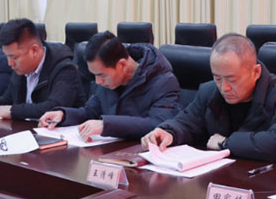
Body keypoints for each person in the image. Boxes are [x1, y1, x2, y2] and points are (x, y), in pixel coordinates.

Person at [141, 33, 276, 163]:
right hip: (227, 176)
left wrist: (226, 143)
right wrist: (168, 132)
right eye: (217, 78)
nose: (224, 87)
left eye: (232, 79)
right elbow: (187, 122)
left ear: (256, 72)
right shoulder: (209, 91)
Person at [39, 31, 180, 140]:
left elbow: (158, 124)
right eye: (95, 75)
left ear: (122, 65)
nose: (98, 82)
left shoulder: (164, 81)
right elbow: (89, 112)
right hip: (109, 153)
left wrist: (106, 125)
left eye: (102, 75)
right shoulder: (108, 81)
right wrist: (63, 115)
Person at [0, 18, 85, 120]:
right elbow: (9, 99)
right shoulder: (21, 68)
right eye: (7, 56)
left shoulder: (65, 68)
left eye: (14, 57)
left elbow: (54, 107)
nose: (10, 63)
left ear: (34, 51)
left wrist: (13, 111)